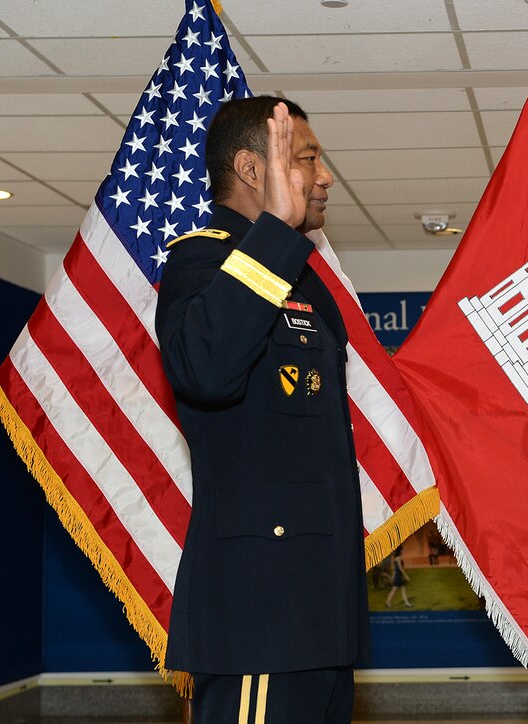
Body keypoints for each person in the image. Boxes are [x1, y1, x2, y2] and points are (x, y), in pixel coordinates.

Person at [156, 96, 369, 724]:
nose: (325, 175)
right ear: (255, 169)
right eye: (308, 159)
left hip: (320, 611)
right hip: (261, 615)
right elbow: (205, 369)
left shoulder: (304, 282)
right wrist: (276, 230)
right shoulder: (201, 261)